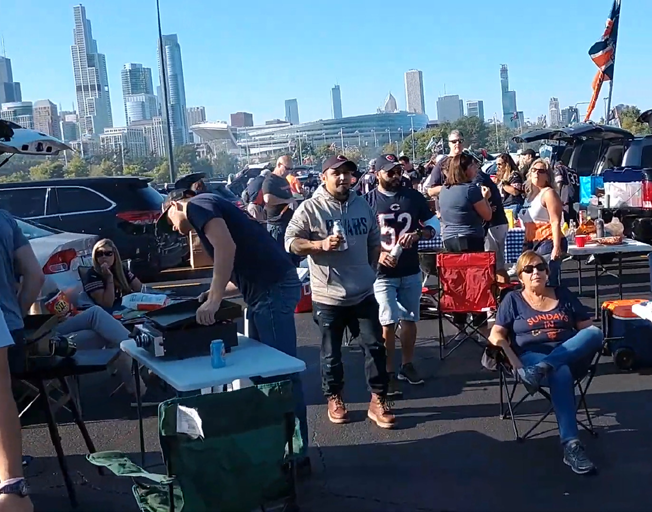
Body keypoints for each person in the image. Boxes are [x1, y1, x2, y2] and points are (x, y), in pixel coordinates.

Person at [157, 185, 310, 467]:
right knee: (266, 373)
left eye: (170, 222)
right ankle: (282, 444)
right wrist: (216, 292)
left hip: (271, 289)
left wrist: (214, 300)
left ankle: (296, 453)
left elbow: (227, 247)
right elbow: (240, 265)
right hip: (267, 288)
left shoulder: (197, 205)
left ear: (175, 205)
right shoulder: (212, 205)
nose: (176, 231)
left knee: (280, 375)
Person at [285, 155, 395, 429]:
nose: (343, 178)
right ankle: (334, 397)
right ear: (324, 176)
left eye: (348, 173)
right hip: (328, 296)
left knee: (374, 347)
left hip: (362, 293)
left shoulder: (362, 205)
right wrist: (319, 245)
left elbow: (373, 240)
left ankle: (378, 399)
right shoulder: (310, 209)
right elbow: (290, 243)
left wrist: (370, 269)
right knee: (331, 354)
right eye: (337, 173)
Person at [489, 251, 603, 475]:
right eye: (529, 270)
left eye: (540, 267)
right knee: (560, 372)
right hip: (531, 357)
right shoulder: (513, 300)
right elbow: (496, 336)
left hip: (568, 355)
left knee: (595, 333)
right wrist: (516, 364)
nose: (536, 273)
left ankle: (544, 367)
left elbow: (586, 329)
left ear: (548, 272)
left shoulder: (562, 294)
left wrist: (556, 358)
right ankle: (571, 446)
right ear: (520, 276)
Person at [365, 154, 435, 396]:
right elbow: (360, 238)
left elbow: (434, 225)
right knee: (387, 320)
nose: (396, 177)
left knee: (410, 318)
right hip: (382, 272)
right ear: (377, 174)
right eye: (390, 172)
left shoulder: (413, 197)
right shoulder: (368, 201)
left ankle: (407, 364)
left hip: (410, 268)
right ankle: (388, 370)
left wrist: (418, 234)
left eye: (398, 171)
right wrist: (376, 254)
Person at [0, 209, 44, 512]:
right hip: (11, 326)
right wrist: (15, 311)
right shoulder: (4, 218)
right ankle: (11, 485)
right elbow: (35, 275)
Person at [438, 153, 493, 329]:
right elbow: (487, 214)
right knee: (475, 280)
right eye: (473, 166)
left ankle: (459, 317)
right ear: (465, 169)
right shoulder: (471, 189)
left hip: (450, 238)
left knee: (456, 280)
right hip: (470, 237)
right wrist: (486, 197)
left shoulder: (445, 190)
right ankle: (478, 318)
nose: (476, 169)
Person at [519, 158, 566, 287]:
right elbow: (528, 221)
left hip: (548, 240)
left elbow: (556, 221)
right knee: (531, 280)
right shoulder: (530, 196)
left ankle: (557, 306)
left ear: (547, 176)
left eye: (541, 171)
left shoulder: (549, 193)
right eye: (534, 170)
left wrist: (556, 247)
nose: (536, 173)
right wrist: (525, 243)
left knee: (546, 281)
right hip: (531, 241)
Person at [471, 152, 510, 283]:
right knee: (496, 262)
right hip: (497, 221)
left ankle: (502, 293)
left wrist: (485, 204)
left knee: (495, 262)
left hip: (494, 223)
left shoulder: (478, 178)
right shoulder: (483, 177)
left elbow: (482, 195)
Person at [84, 239, 143, 311]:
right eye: (99, 254)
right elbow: (107, 304)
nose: (104, 257)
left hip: (126, 307)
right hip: (109, 313)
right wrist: (109, 278)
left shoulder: (120, 269)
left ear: (115, 255)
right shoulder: (92, 275)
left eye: (108, 253)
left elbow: (140, 288)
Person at [263, 155, 298, 249]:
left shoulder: (284, 180)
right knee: (280, 256)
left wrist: (293, 202)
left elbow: (289, 197)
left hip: (288, 223)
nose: (289, 171)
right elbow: (267, 199)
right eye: (287, 168)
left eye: (291, 169)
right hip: (277, 225)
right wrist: (286, 201)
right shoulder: (270, 180)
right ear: (279, 165)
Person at [424, 130, 466, 198]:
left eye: (460, 141)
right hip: (449, 204)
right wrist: (452, 188)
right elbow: (431, 191)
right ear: (449, 144)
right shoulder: (442, 164)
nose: (457, 143)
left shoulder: (470, 161)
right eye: (454, 141)